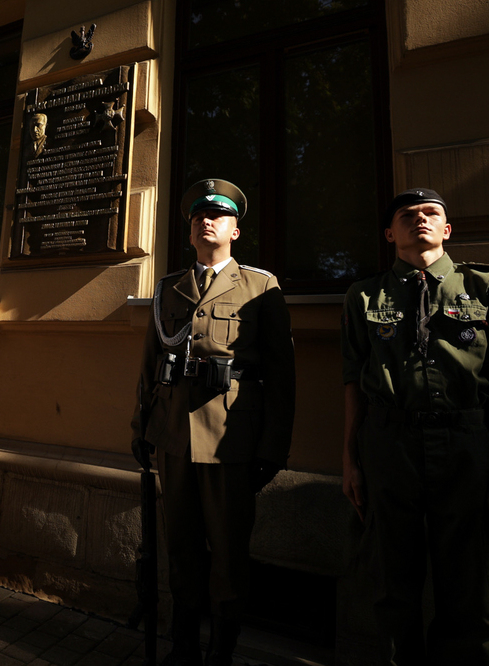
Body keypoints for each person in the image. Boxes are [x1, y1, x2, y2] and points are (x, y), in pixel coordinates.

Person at [341, 188, 489, 666]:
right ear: (390, 234)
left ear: (447, 230)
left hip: (465, 443)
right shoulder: (364, 296)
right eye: (407, 215)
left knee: (473, 586)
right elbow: (353, 383)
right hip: (389, 443)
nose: (419, 219)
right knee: (388, 580)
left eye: (431, 213)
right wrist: (350, 461)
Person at [131, 179, 296, 666]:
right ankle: (183, 648)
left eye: (219, 216)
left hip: (230, 440)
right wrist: (140, 428)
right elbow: (148, 366)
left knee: (227, 555)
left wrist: (272, 448)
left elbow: (281, 377)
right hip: (173, 436)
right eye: (199, 216)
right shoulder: (167, 288)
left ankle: (221, 651)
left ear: (235, 231)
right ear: (189, 232)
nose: (208, 221)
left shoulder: (260, 287)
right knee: (181, 549)